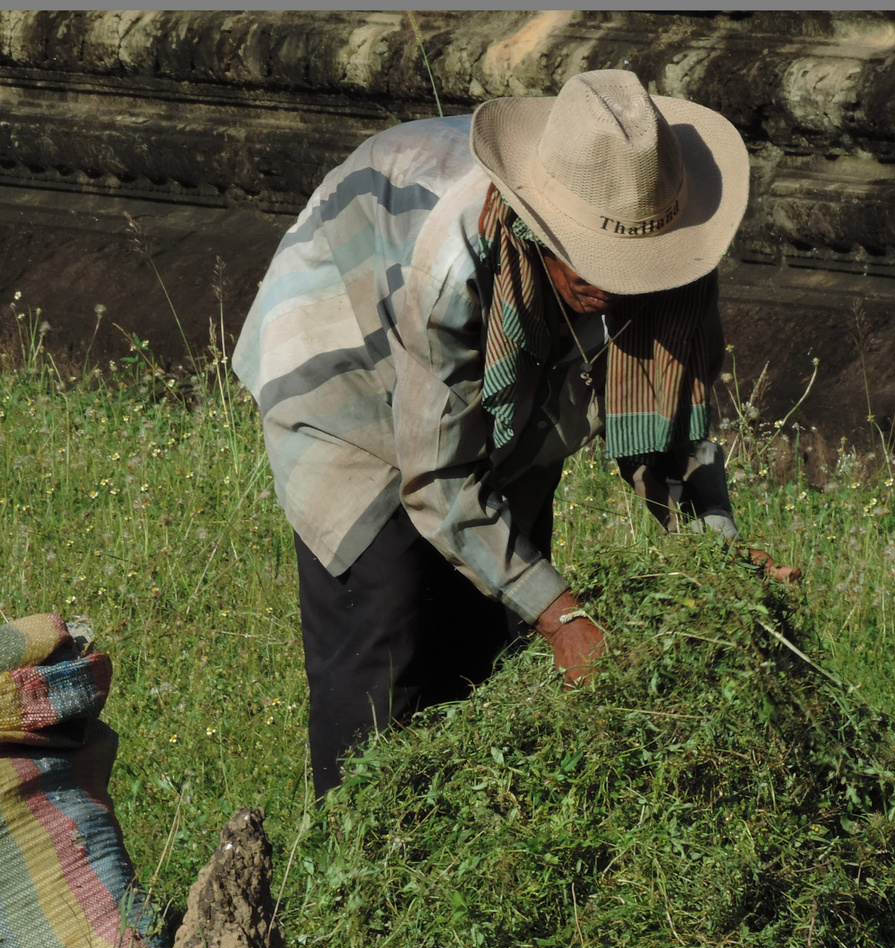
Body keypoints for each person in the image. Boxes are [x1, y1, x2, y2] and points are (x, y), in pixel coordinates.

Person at [232, 70, 798, 799]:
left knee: (491, 637)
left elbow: (674, 417)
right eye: (592, 263)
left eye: (630, 269)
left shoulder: (671, 249)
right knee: (386, 627)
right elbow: (437, 479)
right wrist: (563, 616)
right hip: (352, 349)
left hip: (514, 383)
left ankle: (456, 849)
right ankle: (352, 876)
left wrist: (716, 549)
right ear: (534, 228)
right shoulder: (453, 262)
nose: (615, 290)